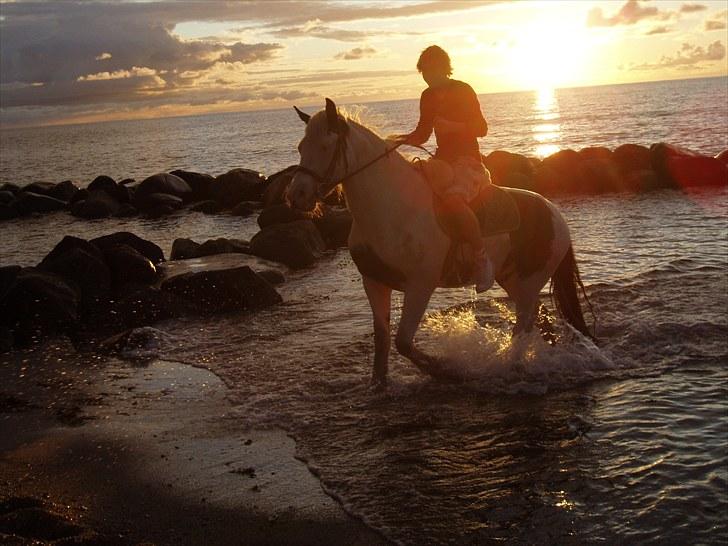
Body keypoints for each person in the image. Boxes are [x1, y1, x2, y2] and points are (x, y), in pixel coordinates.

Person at [395, 45, 494, 292]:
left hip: (468, 161)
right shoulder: (427, 96)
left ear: (441, 68)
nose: (426, 77)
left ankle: (482, 258)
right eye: (424, 73)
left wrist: (453, 126)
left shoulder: (462, 89)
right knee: (408, 191)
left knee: (453, 201)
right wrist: (399, 140)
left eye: (429, 71)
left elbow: (482, 128)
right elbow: (422, 133)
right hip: (442, 162)